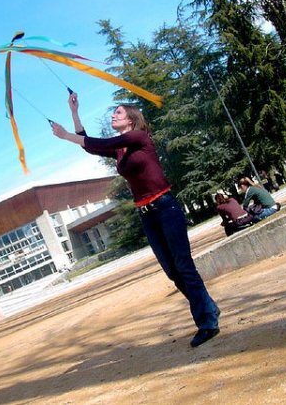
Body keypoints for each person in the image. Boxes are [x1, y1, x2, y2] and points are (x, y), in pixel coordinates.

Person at [51, 93, 220, 347]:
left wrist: (66, 135)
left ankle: (207, 321)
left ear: (131, 120)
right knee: (173, 272)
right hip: (147, 214)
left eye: (118, 113)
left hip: (165, 207)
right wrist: (74, 112)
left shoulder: (139, 137)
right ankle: (208, 308)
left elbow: (97, 142)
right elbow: (91, 145)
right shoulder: (120, 149)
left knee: (184, 266)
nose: (113, 115)